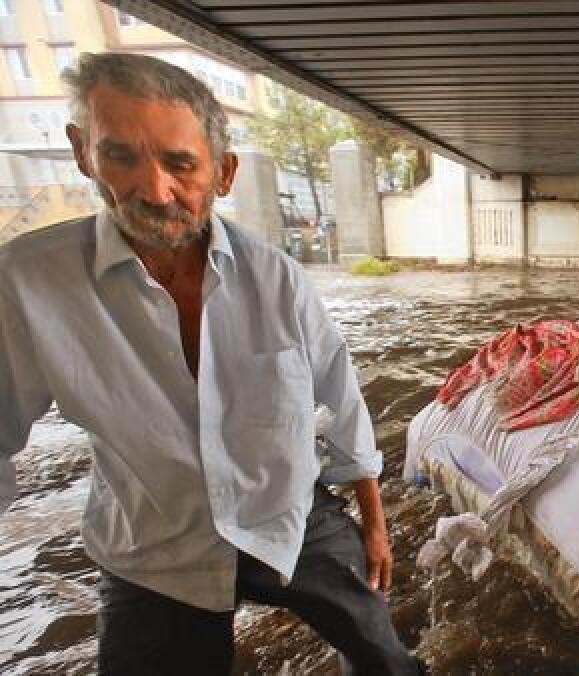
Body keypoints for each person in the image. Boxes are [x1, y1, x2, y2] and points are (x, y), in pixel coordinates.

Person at [0, 52, 422, 675]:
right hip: (152, 546)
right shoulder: (27, 284)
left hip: (289, 516)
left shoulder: (276, 277)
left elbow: (342, 398)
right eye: (120, 156)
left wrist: (376, 524)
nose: (153, 190)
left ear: (223, 173)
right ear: (82, 152)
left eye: (180, 164)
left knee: (385, 658)